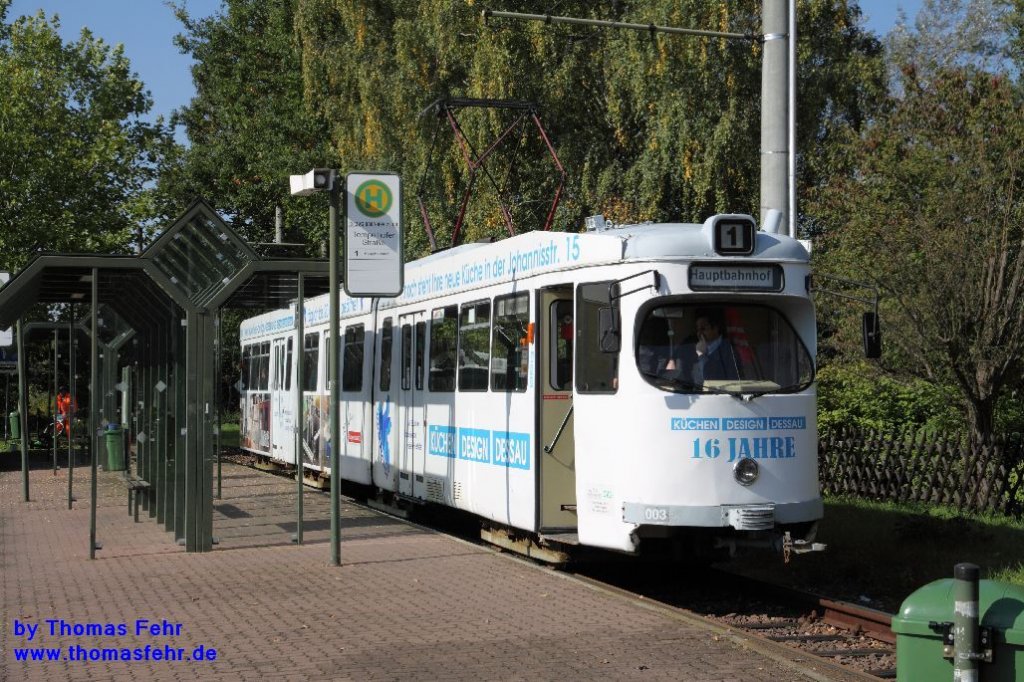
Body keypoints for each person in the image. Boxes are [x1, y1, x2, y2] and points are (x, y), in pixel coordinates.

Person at [691, 310, 739, 383]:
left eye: (703, 329)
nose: (699, 333)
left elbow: (712, 381)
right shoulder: (695, 348)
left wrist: (701, 355)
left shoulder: (729, 351)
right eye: (698, 330)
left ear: (715, 328)